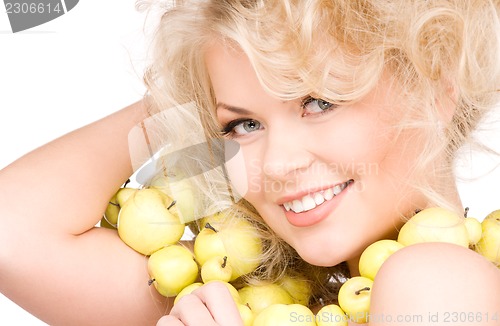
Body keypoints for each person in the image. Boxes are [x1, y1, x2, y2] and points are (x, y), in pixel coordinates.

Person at [1, 0, 499, 325]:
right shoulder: (233, 303)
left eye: (319, 103)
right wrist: (185, 95)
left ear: (434, 91)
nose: (277, 164)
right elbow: (12, 234)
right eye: (242, 126)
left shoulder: (439, 278)